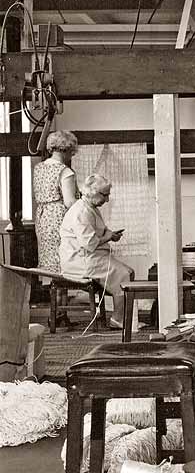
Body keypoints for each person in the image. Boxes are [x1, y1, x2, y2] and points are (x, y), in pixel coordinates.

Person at [59, 174, 135, 329]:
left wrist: (110, 235)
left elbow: (98, 232)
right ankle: (118, 320)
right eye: (104, 195)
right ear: (91, 192)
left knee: (130, 272)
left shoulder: (90, 207)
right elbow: (89, 243)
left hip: (91, 256)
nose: (107, 200)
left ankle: (121, 317)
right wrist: (108, 237)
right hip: (80, 260)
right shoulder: (82, 212)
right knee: (124, 275)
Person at [33, 130, 78, 272]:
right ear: (67, 149)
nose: (72, 154)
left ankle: (56, 293)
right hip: (58, 218)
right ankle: (62, 293)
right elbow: (70, 202)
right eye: (72, 151)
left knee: (50, 259)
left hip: (42, 217)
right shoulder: (65, 171)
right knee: (62, 258)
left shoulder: (39, 168)